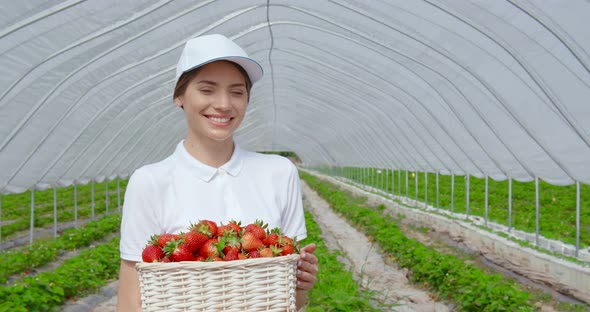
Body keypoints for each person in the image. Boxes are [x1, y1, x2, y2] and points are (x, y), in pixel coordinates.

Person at [116, 34, 318, 311]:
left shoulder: (279, 172)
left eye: (237, 92)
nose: (224, 104)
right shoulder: (150, 182)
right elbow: (131, 297)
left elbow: (292, 301)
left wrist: (301, 284)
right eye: (207, 89)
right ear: (179, 96)